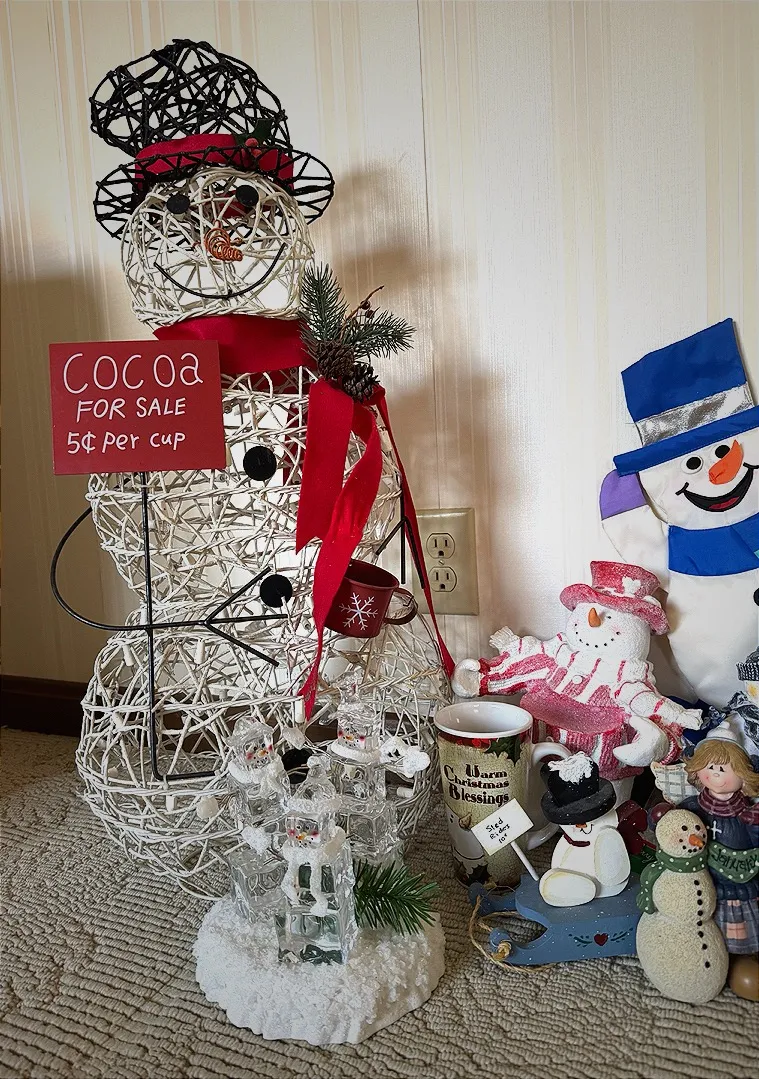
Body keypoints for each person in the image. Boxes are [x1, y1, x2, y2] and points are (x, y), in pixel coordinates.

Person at [682, 724, 759, 1001]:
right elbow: (675, 829)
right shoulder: (693, 807)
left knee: (741, 924)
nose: (715, 773)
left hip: (737, 882)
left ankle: (742, 957)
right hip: (703, 882)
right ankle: (710, 959)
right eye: (710, 766)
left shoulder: (747, 813)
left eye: (724, 768)